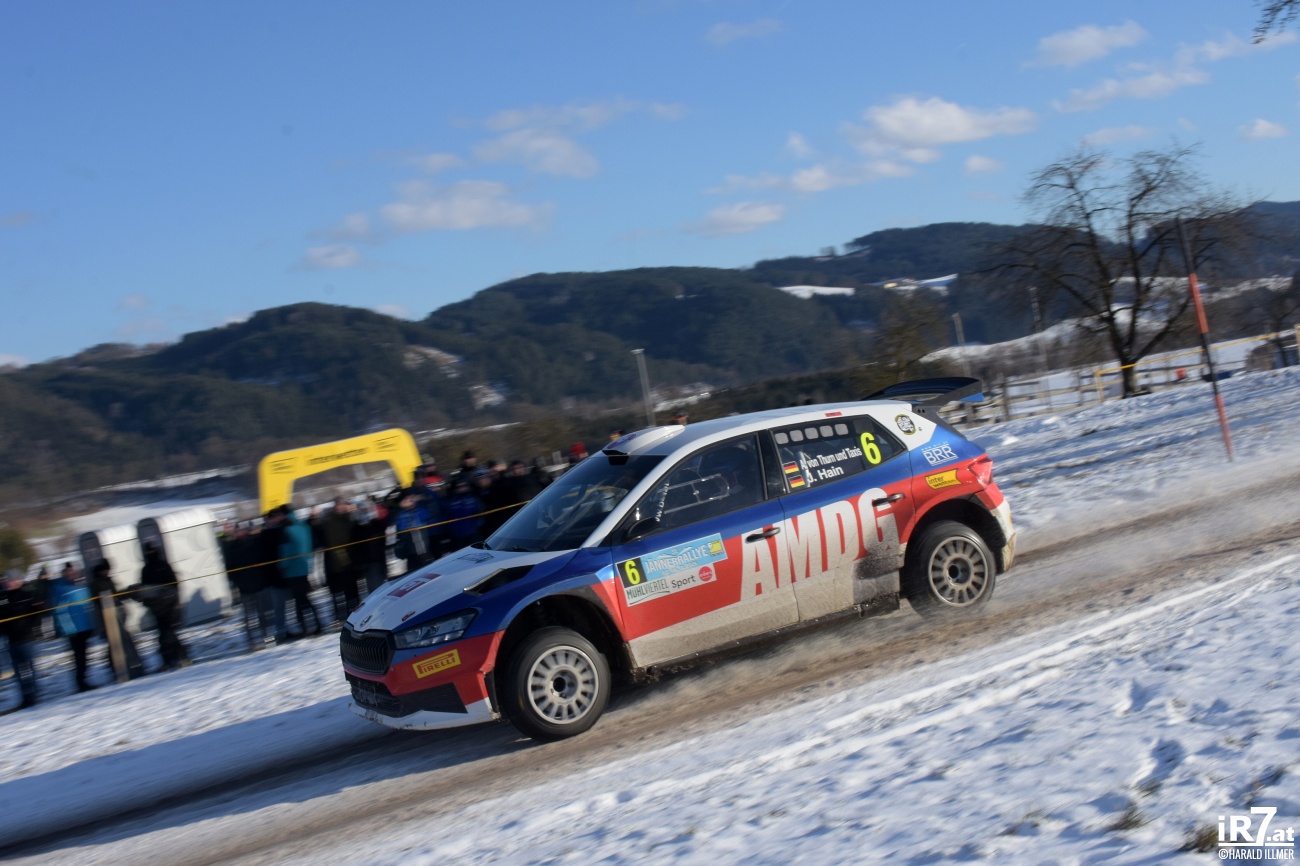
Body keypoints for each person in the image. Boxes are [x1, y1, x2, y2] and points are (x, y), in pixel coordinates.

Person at [133, 542, 191, 671]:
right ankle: (180, 658)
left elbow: (145, 588)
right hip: (164, 606)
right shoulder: (161, 566)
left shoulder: (148, 568)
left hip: (160, 607)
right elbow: (175, 584)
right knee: (168, 633)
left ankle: (173, 659)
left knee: (166, 634)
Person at [89, 558, 145, 680]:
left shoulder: (107, 580)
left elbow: (115, 596)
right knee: (119, 641)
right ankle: (123, 667)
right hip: (109, 615)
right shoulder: (98, 583)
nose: (107, 572)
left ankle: (118, 667)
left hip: (116, 613)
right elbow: (106, 599)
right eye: (106, 570)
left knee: (118, 641)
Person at [275, 506, 323, 639]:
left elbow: (287, 551)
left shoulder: (286, 530)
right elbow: (310, 545)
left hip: (292, 570)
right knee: (305, 598)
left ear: (284, 515)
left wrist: (281, 566)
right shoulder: (304, 526)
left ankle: (307, 627)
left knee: (300, 600)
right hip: (304, 567)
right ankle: (315, 624)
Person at [49, 562, 97, 692]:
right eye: (68, 572)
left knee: (85, 656)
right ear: (64, 573)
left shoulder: (81, 584)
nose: (71, 574)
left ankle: (84, 680)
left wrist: (92, 623)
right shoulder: (59, 588)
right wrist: (68, 629)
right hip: (74, 629)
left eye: (73, 571)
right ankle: (81, 683)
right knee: (79, 657)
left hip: (85, 626)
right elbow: (59, 610)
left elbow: (88, 604)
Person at [0, 569, 41, 708]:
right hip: (11, 641)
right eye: (5, 580)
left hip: (27, 639)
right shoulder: (3, 598)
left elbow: (37, 613)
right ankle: (25, 697)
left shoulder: (26, 594)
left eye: (9, 580)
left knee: (29, 669)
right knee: (18, 672)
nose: (6, 583)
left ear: (17, 581)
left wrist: (32, 627)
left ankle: (33, 695)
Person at [320, 497, 359, 622]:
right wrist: (345, 560)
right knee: (343, 591)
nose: (342, 507)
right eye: (340, 505)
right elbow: (335, 543)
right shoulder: (332, 521)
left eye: (344, 504)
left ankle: (352, 614)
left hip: (348, 561)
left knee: (351, 591)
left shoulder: (348, 518)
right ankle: (344, 615)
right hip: (340, 563)